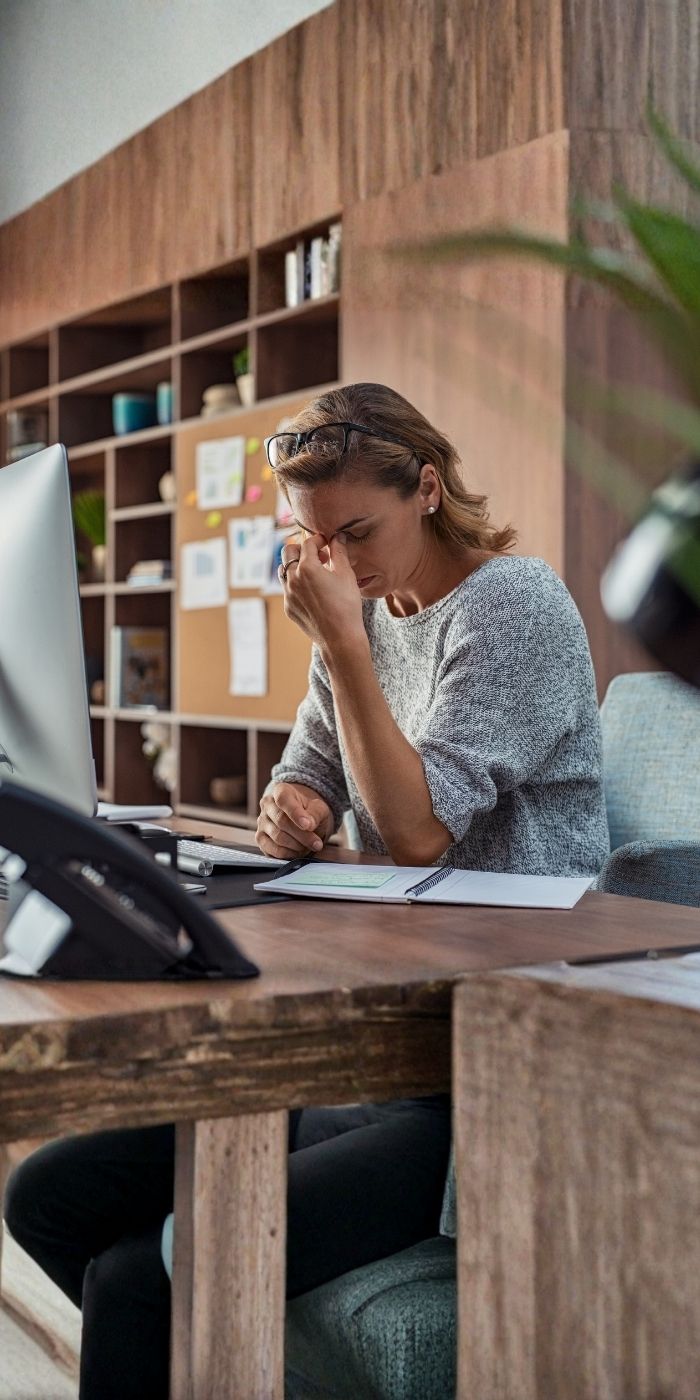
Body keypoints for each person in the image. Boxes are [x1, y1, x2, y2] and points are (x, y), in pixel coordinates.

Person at [4, 382, 608, 1399]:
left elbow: (418, 826)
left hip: (473, 1077)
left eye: (356, 531)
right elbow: (311, 768)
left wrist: (339, 639)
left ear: (425, 488)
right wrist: (289, 801)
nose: (338, 561)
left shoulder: (514, 604)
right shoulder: (367, 609)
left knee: (137, 1278)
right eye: (311, 537)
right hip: (366, 1037)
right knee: (47, 1195)